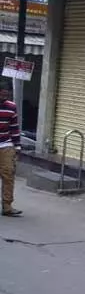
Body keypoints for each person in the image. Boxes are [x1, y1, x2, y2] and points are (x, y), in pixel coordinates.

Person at [0, 82, 22, 216]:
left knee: (8, 174)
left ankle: (7, 206)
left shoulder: (11, 107)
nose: (4, 96)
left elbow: (14, 127)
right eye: (2, 94)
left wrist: (17, 146)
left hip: (6, 145)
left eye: (6, 94)